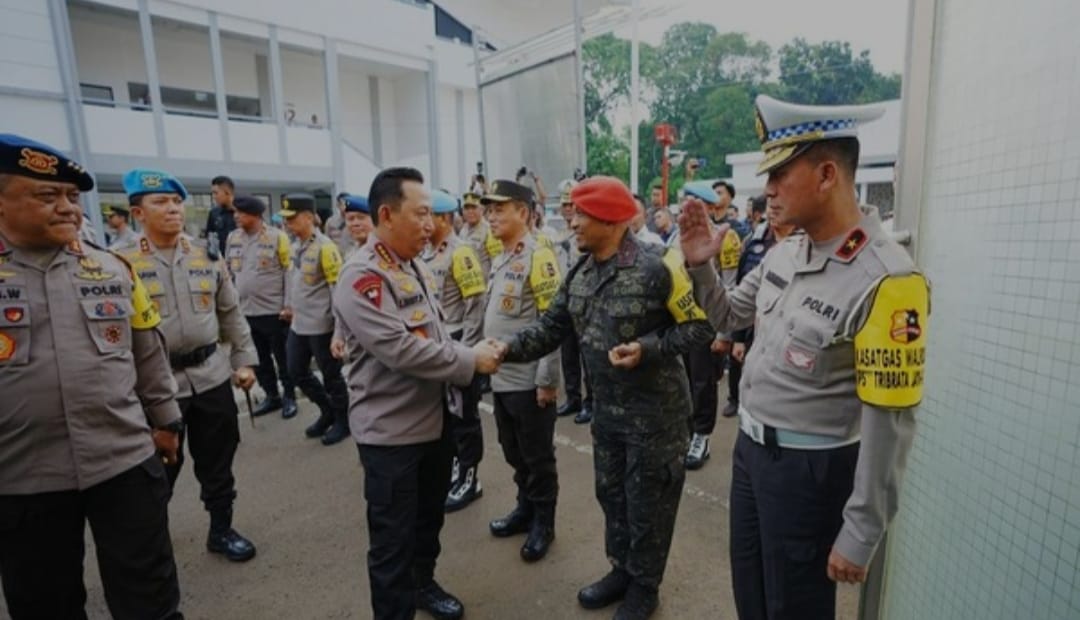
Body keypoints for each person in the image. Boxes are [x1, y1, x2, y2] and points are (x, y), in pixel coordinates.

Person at [679, 95, 928, 618]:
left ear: (827, 175)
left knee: (795, 608)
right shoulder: (785, 251)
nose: (767, 189)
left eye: (781, 172)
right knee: (752, 595)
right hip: (749, 455)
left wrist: (862, 527)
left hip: (810, 472)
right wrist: (702, 267)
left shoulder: (889, 278)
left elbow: (892, 421)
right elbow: (727, 318)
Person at [492, 176, 713, 620]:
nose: (570, 222)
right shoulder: (580, 271)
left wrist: (647, 349)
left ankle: (645, 589)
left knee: (648, 506)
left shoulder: (659, 264)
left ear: (610, 220)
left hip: (657, 418)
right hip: (608, 418)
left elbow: (699, 328)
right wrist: (504, 350)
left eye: (579, 214)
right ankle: (622, 571)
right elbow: (551, 327)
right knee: (612, 496)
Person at [0, 134, 184, 619]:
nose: (68, 209)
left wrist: (167, 420)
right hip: (21, 476)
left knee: (151, 595)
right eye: (47, 196)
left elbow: (147, 353)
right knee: (44, 602)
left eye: (72, 198)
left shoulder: (113, 269)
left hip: (121, 459)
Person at [332, 167, 504, 620]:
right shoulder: (362, 276)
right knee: (392, 544)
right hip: (391, 437)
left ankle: (423, 583)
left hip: (434, 421)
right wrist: (471, 361)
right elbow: (401, 349)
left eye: (432, 214)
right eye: (422, 213)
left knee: (428, 523)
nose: (431, 223)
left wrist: (462, 356)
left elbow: (437, 334)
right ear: (386, 215)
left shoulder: (412, 264)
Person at [116, 167, 259, 564]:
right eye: (160, 202)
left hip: (210, 374)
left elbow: (229, 311)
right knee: (157, 471)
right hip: (157, 385)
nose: (173, 209)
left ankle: (221, 529)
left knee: (218, 460)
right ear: (138, 213)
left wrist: (243, 360)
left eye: (177, 201)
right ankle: (151, 539)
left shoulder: (205, 254)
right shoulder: (119, 263)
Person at [481, 179, 562, 563]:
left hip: (530, 381)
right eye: (490, 209)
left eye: (500, 209)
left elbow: (552, 323)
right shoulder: (501, 256)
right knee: (513, 450)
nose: (491, 216)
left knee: (537, 457)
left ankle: (543, 523)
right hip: (501, 379)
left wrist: (547, 380)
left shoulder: (539, 257)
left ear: (525, 214)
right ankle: (524, 508)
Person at [421, 190, 488, 513]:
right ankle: (455, 468)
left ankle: (470, 478)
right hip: (438, 343)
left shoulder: (460, 253)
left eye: (428, 216)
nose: (423, 222)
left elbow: (474, 305)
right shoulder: (426, 252)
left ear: (445, 219)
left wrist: (469, 353)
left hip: (459, 341)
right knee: (447, 416)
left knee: (464, 417)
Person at [679, 182, 743, 470]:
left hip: (707, 321)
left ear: (710, 207)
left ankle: (701, 436)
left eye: (696, 202)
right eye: (685, 201)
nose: (688, 207)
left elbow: (729, 286)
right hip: (680, 320)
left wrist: (724, 333)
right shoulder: (675, 237)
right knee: (682, 381)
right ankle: (686, 430)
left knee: (703, 382)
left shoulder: (725, 238)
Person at [280, 193, 350, 445]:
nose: (287, 223)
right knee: (295, 371)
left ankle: (343, 420)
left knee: (332, 377)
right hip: (299, 324)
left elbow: (337, 292)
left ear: (309, 217)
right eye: (286, 219)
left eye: (292, 218)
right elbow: (294, 281)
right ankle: (327, 410)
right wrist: (288, 307)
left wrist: (338, 331)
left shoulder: (326, 248)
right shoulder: (295, 245)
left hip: (322, 326)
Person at [226, 195, 298, 419]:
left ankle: (289, 396)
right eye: (235, 212)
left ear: (256, 215)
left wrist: (289, 305)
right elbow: (228, 271)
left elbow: (289, 272)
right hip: (245, 310)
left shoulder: (277, 237)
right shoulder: (233, 238)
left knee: (282, 357)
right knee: (259, 359)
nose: (236, 216)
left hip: (273, 310)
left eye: (241, 212)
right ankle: (271, 396)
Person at [722, 194, 789, 419]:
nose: (771, 212)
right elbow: (739, 295)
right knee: (741, 367)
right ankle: (737, 401)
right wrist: (737, 337)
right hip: (751, 323)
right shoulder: (755, 243)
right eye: (768, 206)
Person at [554, 181, 593, 424]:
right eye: (565, 205)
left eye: (572, 205)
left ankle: (591, 402)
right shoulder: (555, 235)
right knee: (567, 355)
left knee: (586, 355)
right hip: (564, 301)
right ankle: (573, 397)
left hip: (585, 302)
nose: (568, 209)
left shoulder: (585, 235)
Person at [205, 175, 237, 256]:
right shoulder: (214, 213)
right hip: (220, 262)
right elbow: (209, 238)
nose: (214, 196)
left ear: (227, 192)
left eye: (216, 193)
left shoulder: (244, 211)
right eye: (212, 193)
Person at [342, 194, 373, 260]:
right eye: (350, 219)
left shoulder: (382, 250)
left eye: (361, 218)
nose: (355, 223)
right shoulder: (350, 253)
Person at [325, 191, 353, 256]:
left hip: (352, 257)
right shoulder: (331, 221)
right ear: (338, 205)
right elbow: (326, 241)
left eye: (347, 203)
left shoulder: (355, 220)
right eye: (342, 203)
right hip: (335, 257)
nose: (345, 206)